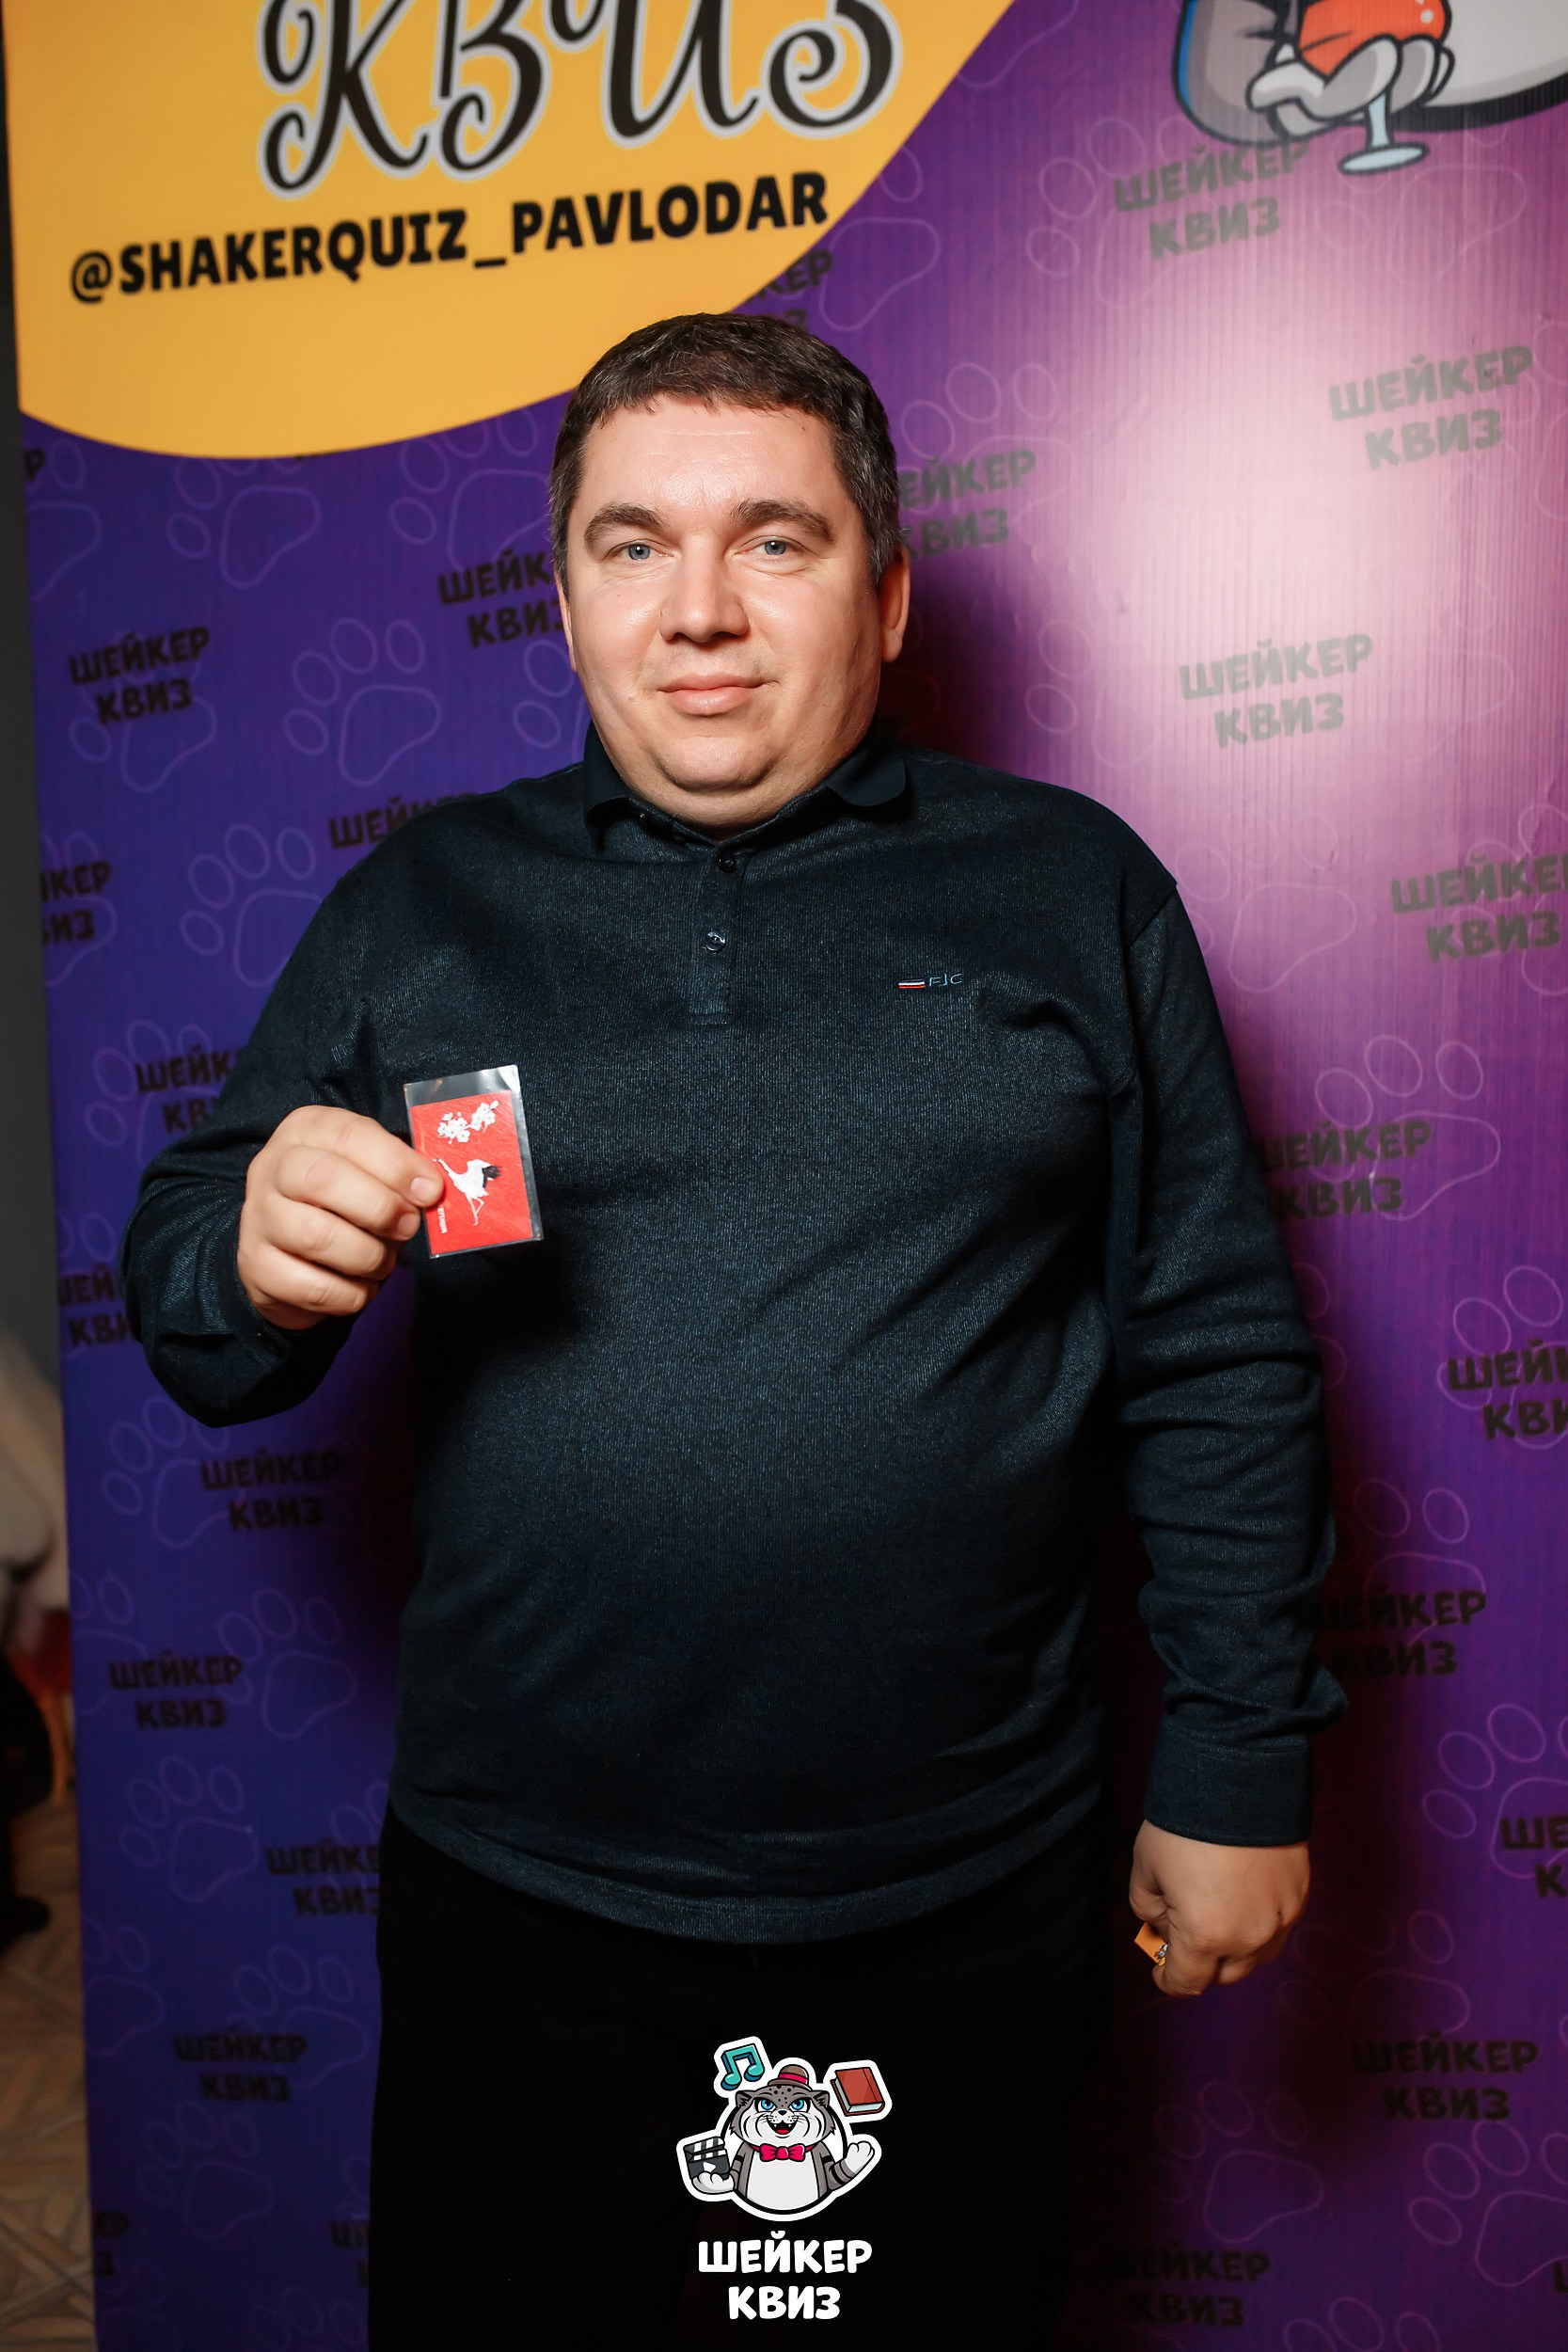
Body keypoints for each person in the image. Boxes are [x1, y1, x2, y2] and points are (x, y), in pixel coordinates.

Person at [121, 313, 1342, 2345]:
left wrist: (1241, 1755)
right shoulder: (426, 904)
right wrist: (243, 1254)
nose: (698, 607)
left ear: (888, 594)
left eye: (774, 539)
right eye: (633, 544)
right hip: (523, 1894)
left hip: (961, 1887)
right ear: (566, 597)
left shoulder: (1075, 889)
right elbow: (193, 1292)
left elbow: (1212, 1343)